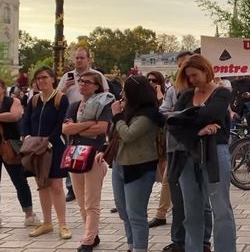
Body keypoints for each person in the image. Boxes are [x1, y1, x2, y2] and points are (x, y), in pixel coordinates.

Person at [168, 54, 236, 252]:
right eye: (188, 76)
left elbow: (211, 114)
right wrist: (198, 130)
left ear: (206, 70)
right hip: (187, 154)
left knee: (221, 208)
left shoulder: (222, 93)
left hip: (215, 152)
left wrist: (185, 119)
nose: (192, 80)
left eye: (194, 75)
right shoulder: (186, 95)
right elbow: (172, 123)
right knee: (192, 210)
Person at [99, 75, 163, 252]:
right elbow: (113, 134)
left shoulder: (149, 114)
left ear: (134, 93)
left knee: (136, 214)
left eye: (124, 91)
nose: (121, 94)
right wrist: (118, 116)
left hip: (140, 167)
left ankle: (140, 248)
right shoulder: (129, 111)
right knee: (123, 211)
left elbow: (128, 135)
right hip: (120, 164)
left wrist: (117, 116)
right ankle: (131, 245)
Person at [62, 71, 114, 251]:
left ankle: (87, 240)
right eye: (81, 81)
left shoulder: (104, 104)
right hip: (75, 155)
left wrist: (77, 128)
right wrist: (87, 124)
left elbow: (101, 128)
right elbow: (65, 129)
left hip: (94, 155)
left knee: (91, 201)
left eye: (88, 82)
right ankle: (92, 234)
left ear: (97, 86)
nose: (83, 84)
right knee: (81, 200)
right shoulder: (74, 105)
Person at [21, 66, 72, 240]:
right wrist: (27, 137)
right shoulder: (33, 100)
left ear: (52, 79)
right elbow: (25, 120)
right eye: (38, 78)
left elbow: (60, 124)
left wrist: (48, 141)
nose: (41, 81)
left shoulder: (60, 99)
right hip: (36, 148)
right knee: (42, 185)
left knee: (57, 187)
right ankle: (47, 222)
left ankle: (63, 224)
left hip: (54, 147)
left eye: (44, 77)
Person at [57, 47, 109, 202]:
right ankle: (72, 186)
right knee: (72, 149)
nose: (79, 60)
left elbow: (105, 95)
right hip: (72, 114)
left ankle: (90, 178)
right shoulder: (67, 76)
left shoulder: (97, 76)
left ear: (88, 59)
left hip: (93, 116)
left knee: (88, 152)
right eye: (76, 58)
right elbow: (57, 97)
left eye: (82, 58)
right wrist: (66, 87)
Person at [158, 51, 197, 252]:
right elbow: (163, 112)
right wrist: (181, 115)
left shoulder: (205, 90)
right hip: (174, 147)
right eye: (180, 66)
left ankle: (201, 241)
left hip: (196, 149)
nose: (184, 70)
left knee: (197, 200)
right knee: (177, 197)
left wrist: (176, 116)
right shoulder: (174, 89)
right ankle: (178, 240)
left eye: (187, 65)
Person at [0, 79, 40, 228]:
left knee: (19, 180)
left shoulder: (13, 101)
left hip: (11, 146)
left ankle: (29, 214)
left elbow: (14, 116)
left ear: (3, 88)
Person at [146, 71, 170, 229]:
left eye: (154, 80)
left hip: (166, 138)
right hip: (152, 139)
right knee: (164, 177)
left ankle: (161, 213)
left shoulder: (167, 95)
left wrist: (160, 96)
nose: (151, 83)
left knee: (166, 176)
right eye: (148, 80)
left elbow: (165, 114)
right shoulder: (145, 98)